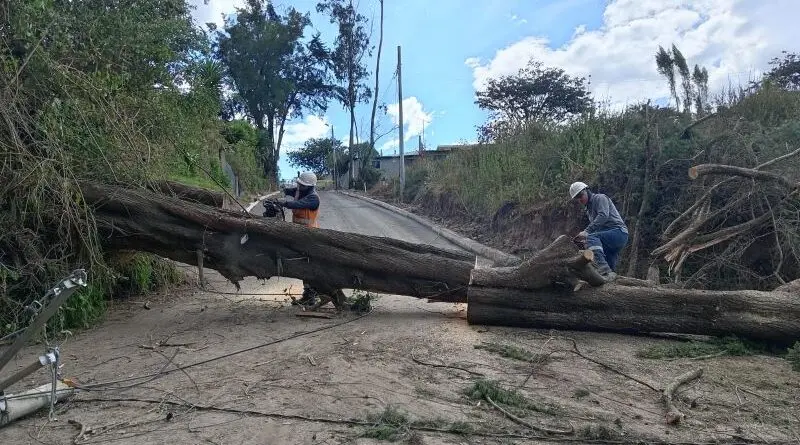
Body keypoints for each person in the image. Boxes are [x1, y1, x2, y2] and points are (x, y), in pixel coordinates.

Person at [273, 171, 321, 305]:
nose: (299, 186)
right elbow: (290, 191)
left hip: (309, 235)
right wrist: (283, 191)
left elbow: (297, 205)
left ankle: (311, 295)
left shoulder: (313, 198)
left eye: (302, 185)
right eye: (299, 184)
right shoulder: (301, 191)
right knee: (301, 263)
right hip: (299, 234)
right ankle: (308, 293)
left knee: (307, 264)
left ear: (310, 186)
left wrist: (285, 203)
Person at [569, 181, 628, 280]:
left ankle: (603, 269)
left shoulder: (600, 198)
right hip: (609, 238)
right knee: (609, 273)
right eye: (577, 198)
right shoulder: (589, 210)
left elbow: (603, 216)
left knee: (592, 238)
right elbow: (598, 228)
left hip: (619, 233)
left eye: (580, 195)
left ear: (586, 190)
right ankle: (609, 275)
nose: (580, 199)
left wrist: (587, 232)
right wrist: (585, 239)